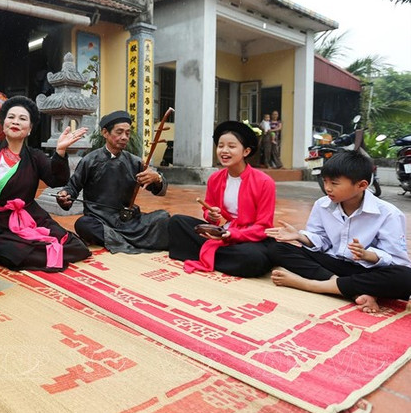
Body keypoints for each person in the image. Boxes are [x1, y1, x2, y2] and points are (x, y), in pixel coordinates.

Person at [266, 151, 411, 313]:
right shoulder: (322, 204)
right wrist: (300, 236)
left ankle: (311, 285)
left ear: (362, 185)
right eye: (325, 181)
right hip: (333, 263)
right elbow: (322, 241)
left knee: (406, 277)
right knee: (277, 248)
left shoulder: (388, 213)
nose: (327, 188)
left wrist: (367, 255)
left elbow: (397, 261)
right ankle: (354, 290)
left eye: (334, 183)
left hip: (364, 269)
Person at [0, 96, 91, 271]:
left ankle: (41, 253)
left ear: (29, 129)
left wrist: (60, 152)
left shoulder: (35, 156)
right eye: (11, 117)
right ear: (3, 123)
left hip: (31, 215)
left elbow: (57, 180)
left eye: (22, 119)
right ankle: (36, 253)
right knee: (12, 251)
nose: (16, 122)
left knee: (76, 247)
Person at [167, 121, 275, 277]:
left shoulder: (265, 182)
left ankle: (209, 255)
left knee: (254, 258)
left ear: (246, 151)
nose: (224, 151)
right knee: (177, 222)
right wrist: (210, 215)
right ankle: (223, 258)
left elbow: (263, 228)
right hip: (223, 232)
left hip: (250, 238)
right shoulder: (215, 179)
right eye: (220, 146)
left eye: (231, 146)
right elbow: (209, 211)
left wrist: (233, 234)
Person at [55, 110, 170, 253]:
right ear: (105, 133)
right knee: (83, 224)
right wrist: (64, 195)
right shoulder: (89, 160)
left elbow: (160, 190)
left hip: (129, 221)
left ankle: (119, 240)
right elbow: (72, 188)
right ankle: (136, 241)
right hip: (100, 221)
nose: (124, 137)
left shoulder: (134, 162)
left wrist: (157, 178)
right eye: (119, 132)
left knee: (163, 217)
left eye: (127, 133)